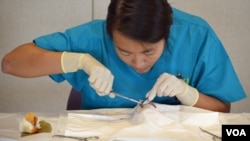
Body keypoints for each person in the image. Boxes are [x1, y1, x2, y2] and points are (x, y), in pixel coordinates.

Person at [1, 0, 246, 113]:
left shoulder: (196, 35)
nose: (138, 63)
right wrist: (80, 61)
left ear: (167, 34)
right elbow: (11, 63)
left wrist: (187, 93)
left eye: (149, 52)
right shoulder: (93, 37)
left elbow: (223, 110)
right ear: (109, 33)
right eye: (124, 52)